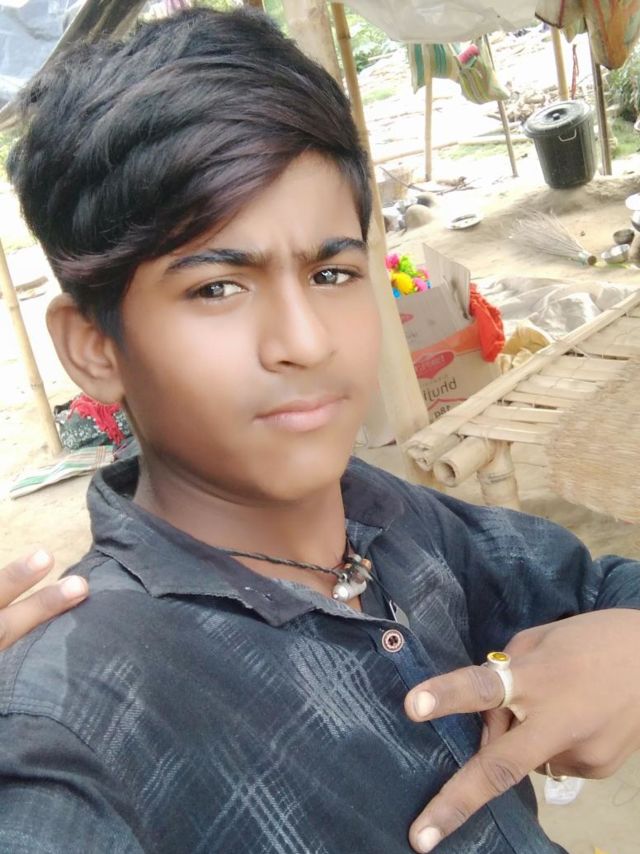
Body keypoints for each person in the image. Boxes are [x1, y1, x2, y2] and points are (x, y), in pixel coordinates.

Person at [2, 8, 640, 853]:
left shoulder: (389, 518)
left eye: (332, 273)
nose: (305, 341)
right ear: (94, 346)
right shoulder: (74, 713)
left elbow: (601, 585)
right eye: (217, 288)